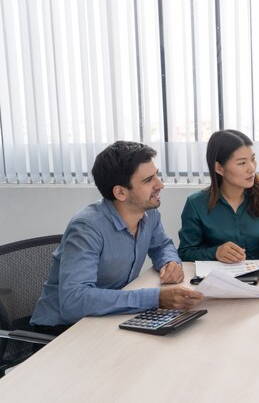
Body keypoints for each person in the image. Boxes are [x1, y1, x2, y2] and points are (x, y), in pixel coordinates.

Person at [30, 141, 203, 334]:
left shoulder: (148, 213)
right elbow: (75, 301)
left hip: (108, 318)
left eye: (157, 175)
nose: (160, 185)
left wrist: (169, 261)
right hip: (62, 331)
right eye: (148, 180)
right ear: (120, 192)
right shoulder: (87, 228)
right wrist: (156, 298)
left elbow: (162, 245)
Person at [178, 130, 259, 267]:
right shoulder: (196, 204)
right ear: (219, 168)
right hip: (217, 282)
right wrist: (215, 252)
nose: (251, 169)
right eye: (242, 163)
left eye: (252, 159)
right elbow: (185, 253)